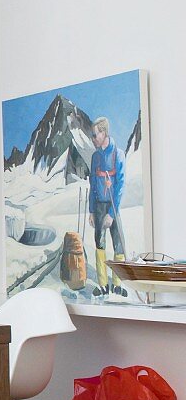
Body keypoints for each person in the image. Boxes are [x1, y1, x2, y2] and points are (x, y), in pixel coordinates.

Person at [88, 116, 127, 297]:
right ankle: (103, 285)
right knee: (100, 244)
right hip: (98, 207)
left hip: (112, 207)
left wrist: (112, 213)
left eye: (95, 135)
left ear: (103, 133)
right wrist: (91, 211)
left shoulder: (118, 154)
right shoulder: (95, 157)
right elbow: (93, 185)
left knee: (118, 245)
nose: (93, 139)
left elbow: (120, 186)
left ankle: (117, 285)